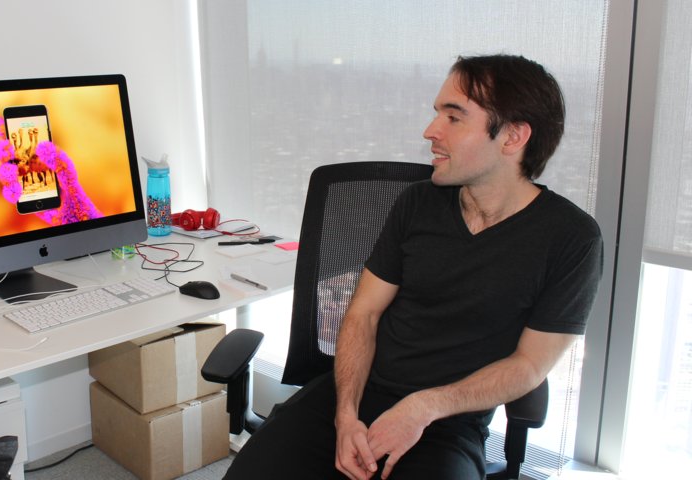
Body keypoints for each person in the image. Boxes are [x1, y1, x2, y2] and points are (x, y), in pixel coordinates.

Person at [223, 54, 603, 479]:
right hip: (354, 394)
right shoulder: (418, 204)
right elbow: (364, 314)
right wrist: (345, 415)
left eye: (454, 118)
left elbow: (530, 366)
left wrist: (425, 406)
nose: (431, 131)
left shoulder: (571, 238)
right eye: (436, 113)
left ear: (513, 136)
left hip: (448, 422)